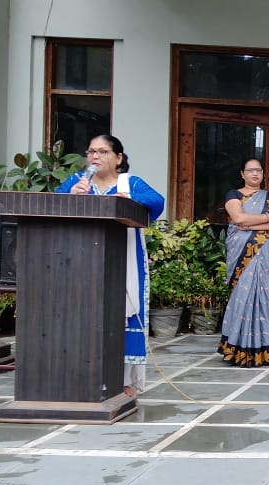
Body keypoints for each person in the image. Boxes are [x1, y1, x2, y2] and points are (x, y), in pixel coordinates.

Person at [56, 134, 165, 397]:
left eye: (103, 151)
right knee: (84, 314)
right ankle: (81, 378)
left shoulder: (130, 182)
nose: (95, 156)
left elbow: (157, 202)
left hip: (123, 259)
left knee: (123, 313)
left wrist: (128, 199)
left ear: (119, 158)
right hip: (81, 261)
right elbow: (54, 202)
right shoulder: (78, 181)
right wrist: (70, 194)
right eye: (91, 151)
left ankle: (123, 381)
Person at [218, 158, 269, 367]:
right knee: (242, 296)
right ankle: (237, 348)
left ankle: (264, 349)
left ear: (263, 173)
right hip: (242, 256)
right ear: (242, 174)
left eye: (259, 170)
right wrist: (268, 217)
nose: (255, 174)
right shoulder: (233, 195)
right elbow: (239, 218)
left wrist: (250, 225)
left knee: (266, 298)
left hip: (266, 254)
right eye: (250, 170)